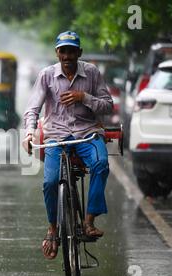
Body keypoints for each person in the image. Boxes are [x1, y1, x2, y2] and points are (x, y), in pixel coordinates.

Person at [22, 31, 113, 260]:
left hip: (87, 133)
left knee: (101, 163)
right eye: (63, 51)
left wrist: (85, 98)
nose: (67, 55)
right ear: (57, 53)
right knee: (50, 182)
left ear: (79, 53)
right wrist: (30, 133)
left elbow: (108, 106)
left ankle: (88, 221)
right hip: (56, 136)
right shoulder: (46, 75)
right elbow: (32, 109)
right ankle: (52, 228)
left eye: (71, 51)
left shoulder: (91, 73)